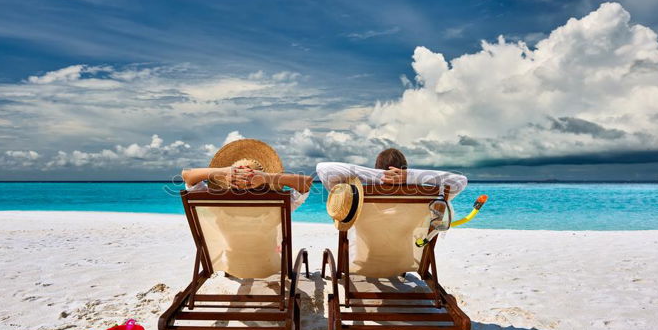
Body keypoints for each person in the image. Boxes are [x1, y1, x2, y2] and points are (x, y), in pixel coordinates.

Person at [182, 138, 312, 209]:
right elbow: (306, 181)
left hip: (222, 258)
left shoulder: (212, 202)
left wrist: (223, 172)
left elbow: (187, 175)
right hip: (268, 258)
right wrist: (266, 177)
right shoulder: (278, 203)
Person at [316, 147, 467, 200]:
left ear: (376, 167)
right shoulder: (427, 196)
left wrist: (377, 176)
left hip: (360, 263)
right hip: (408, 262)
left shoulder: (357, 197)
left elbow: (323, 169)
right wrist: (409, 177)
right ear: (405, 168)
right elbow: (459, 182)